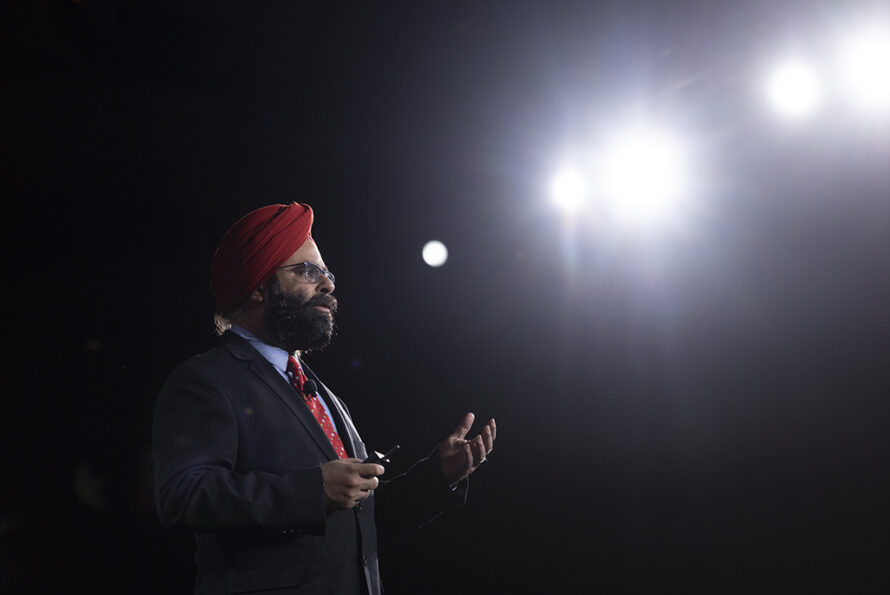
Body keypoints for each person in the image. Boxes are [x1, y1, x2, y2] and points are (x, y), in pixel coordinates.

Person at [152, 202, 496, 595]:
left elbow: (357, 524)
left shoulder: (326, 397)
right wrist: (311, 492)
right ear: (257, 286)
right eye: (309, 272)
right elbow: (183, 497)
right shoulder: (206, 380)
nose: (328, 285)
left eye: (327, 274)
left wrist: (437, 476)